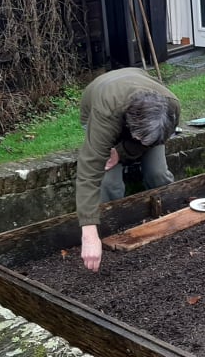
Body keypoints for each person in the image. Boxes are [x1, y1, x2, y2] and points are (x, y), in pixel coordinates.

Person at [76, 67, 180, 272]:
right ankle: (109, 232)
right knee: (109, 184)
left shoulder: (171, 107)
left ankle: (169, 217)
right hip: (101, 102)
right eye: (139, 139)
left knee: (157, 173)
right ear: (131, 127)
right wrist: (88, 235)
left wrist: (122, 152)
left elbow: (155, 138)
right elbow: (89, 169)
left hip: (144, 112)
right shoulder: (106, 112)